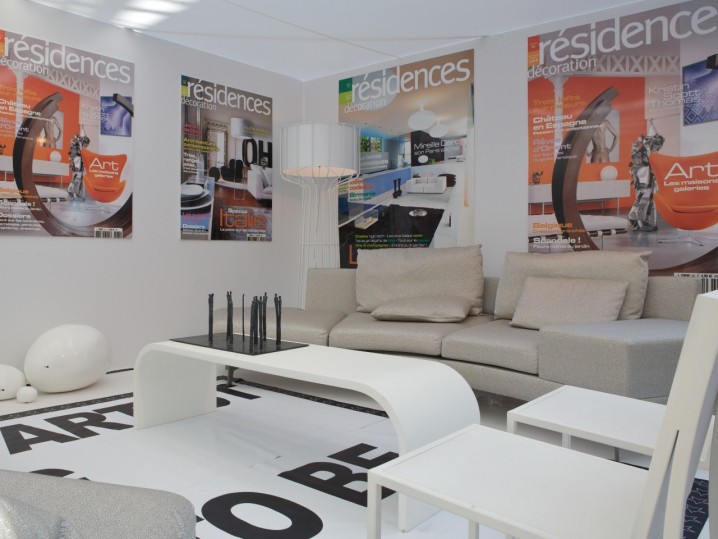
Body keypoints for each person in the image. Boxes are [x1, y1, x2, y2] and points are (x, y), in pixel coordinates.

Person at [627, 131, 664, 231]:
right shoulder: (644, 151)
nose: (658, 147)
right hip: (643, 179)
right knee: (643, 199)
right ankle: (636, 220)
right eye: (657, 145)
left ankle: (641, 221)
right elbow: (644, 164)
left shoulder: (649, 151)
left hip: (648, 178)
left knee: (648, 201)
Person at [67, 134, 90, 199]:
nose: (86, 146)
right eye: (85, 144)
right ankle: (71, 191)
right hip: (76, 164)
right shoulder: (75, 147)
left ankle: (77, 193)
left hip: (80, 164)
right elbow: (74, 155)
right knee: (76, 177)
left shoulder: (79, 147)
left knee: (80, 179)